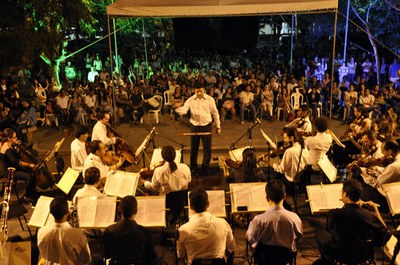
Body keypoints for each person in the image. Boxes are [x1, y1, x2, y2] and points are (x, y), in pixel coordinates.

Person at [315, 179, 387, 264]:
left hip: (340, 255)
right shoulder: (369, 216)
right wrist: (376, 211)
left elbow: (330, 229)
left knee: (320, 232)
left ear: (345, 194)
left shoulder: (334, 214)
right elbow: (385, 233)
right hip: (363, 256)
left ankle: (327, 261)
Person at [177, 188, 236, 265]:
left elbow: (180, 255)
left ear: (190, 207)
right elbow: (232, 247)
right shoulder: (223, 223)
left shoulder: (183, 229)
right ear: (208, 204)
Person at [175, 86, 221, 176]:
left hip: (207, 126)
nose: (199, 93)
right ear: (194, 90)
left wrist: (218, 126)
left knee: (207, 149)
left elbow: (215, 113)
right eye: (197, 91)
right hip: (195, 126)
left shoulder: (210, 99)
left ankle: (205, 167)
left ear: (204, 90)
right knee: (194, 149)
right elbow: (184, 110)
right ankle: (193, 168)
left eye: (201, 91)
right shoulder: (190, 100)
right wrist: (178, 108)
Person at [246, 180, 302, 252]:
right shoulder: (294, 218)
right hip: (285, 257)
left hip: (264, 257)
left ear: (267, 197)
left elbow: (250, 237)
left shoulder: (258, 220)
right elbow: (299, 236)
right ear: (284, 196)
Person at [103, 195, 158, 265]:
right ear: (136, 211)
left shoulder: (109, 231)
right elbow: (150, 256)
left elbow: (107, 255)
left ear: (119, 210)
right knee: (160, 251)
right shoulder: (144, 232)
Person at [38, 197, 91, 265]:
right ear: (67, 212)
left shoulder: (41, 231)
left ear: (51, 213)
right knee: (97, 258)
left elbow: (43, 255)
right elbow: (86, 259)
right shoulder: (78, 234)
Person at [0, 128, 36, 203]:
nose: (16, 138)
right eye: (14, 137)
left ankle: (32, 192)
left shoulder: (9, 145)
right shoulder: (7, 149)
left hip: (13, 168)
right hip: (9, 172)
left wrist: (17, 147)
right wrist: (29, 165)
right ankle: (25, 196)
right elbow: (16, 161)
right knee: (28, 176)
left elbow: (15, 156)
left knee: (31, 172)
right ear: (9, 138)